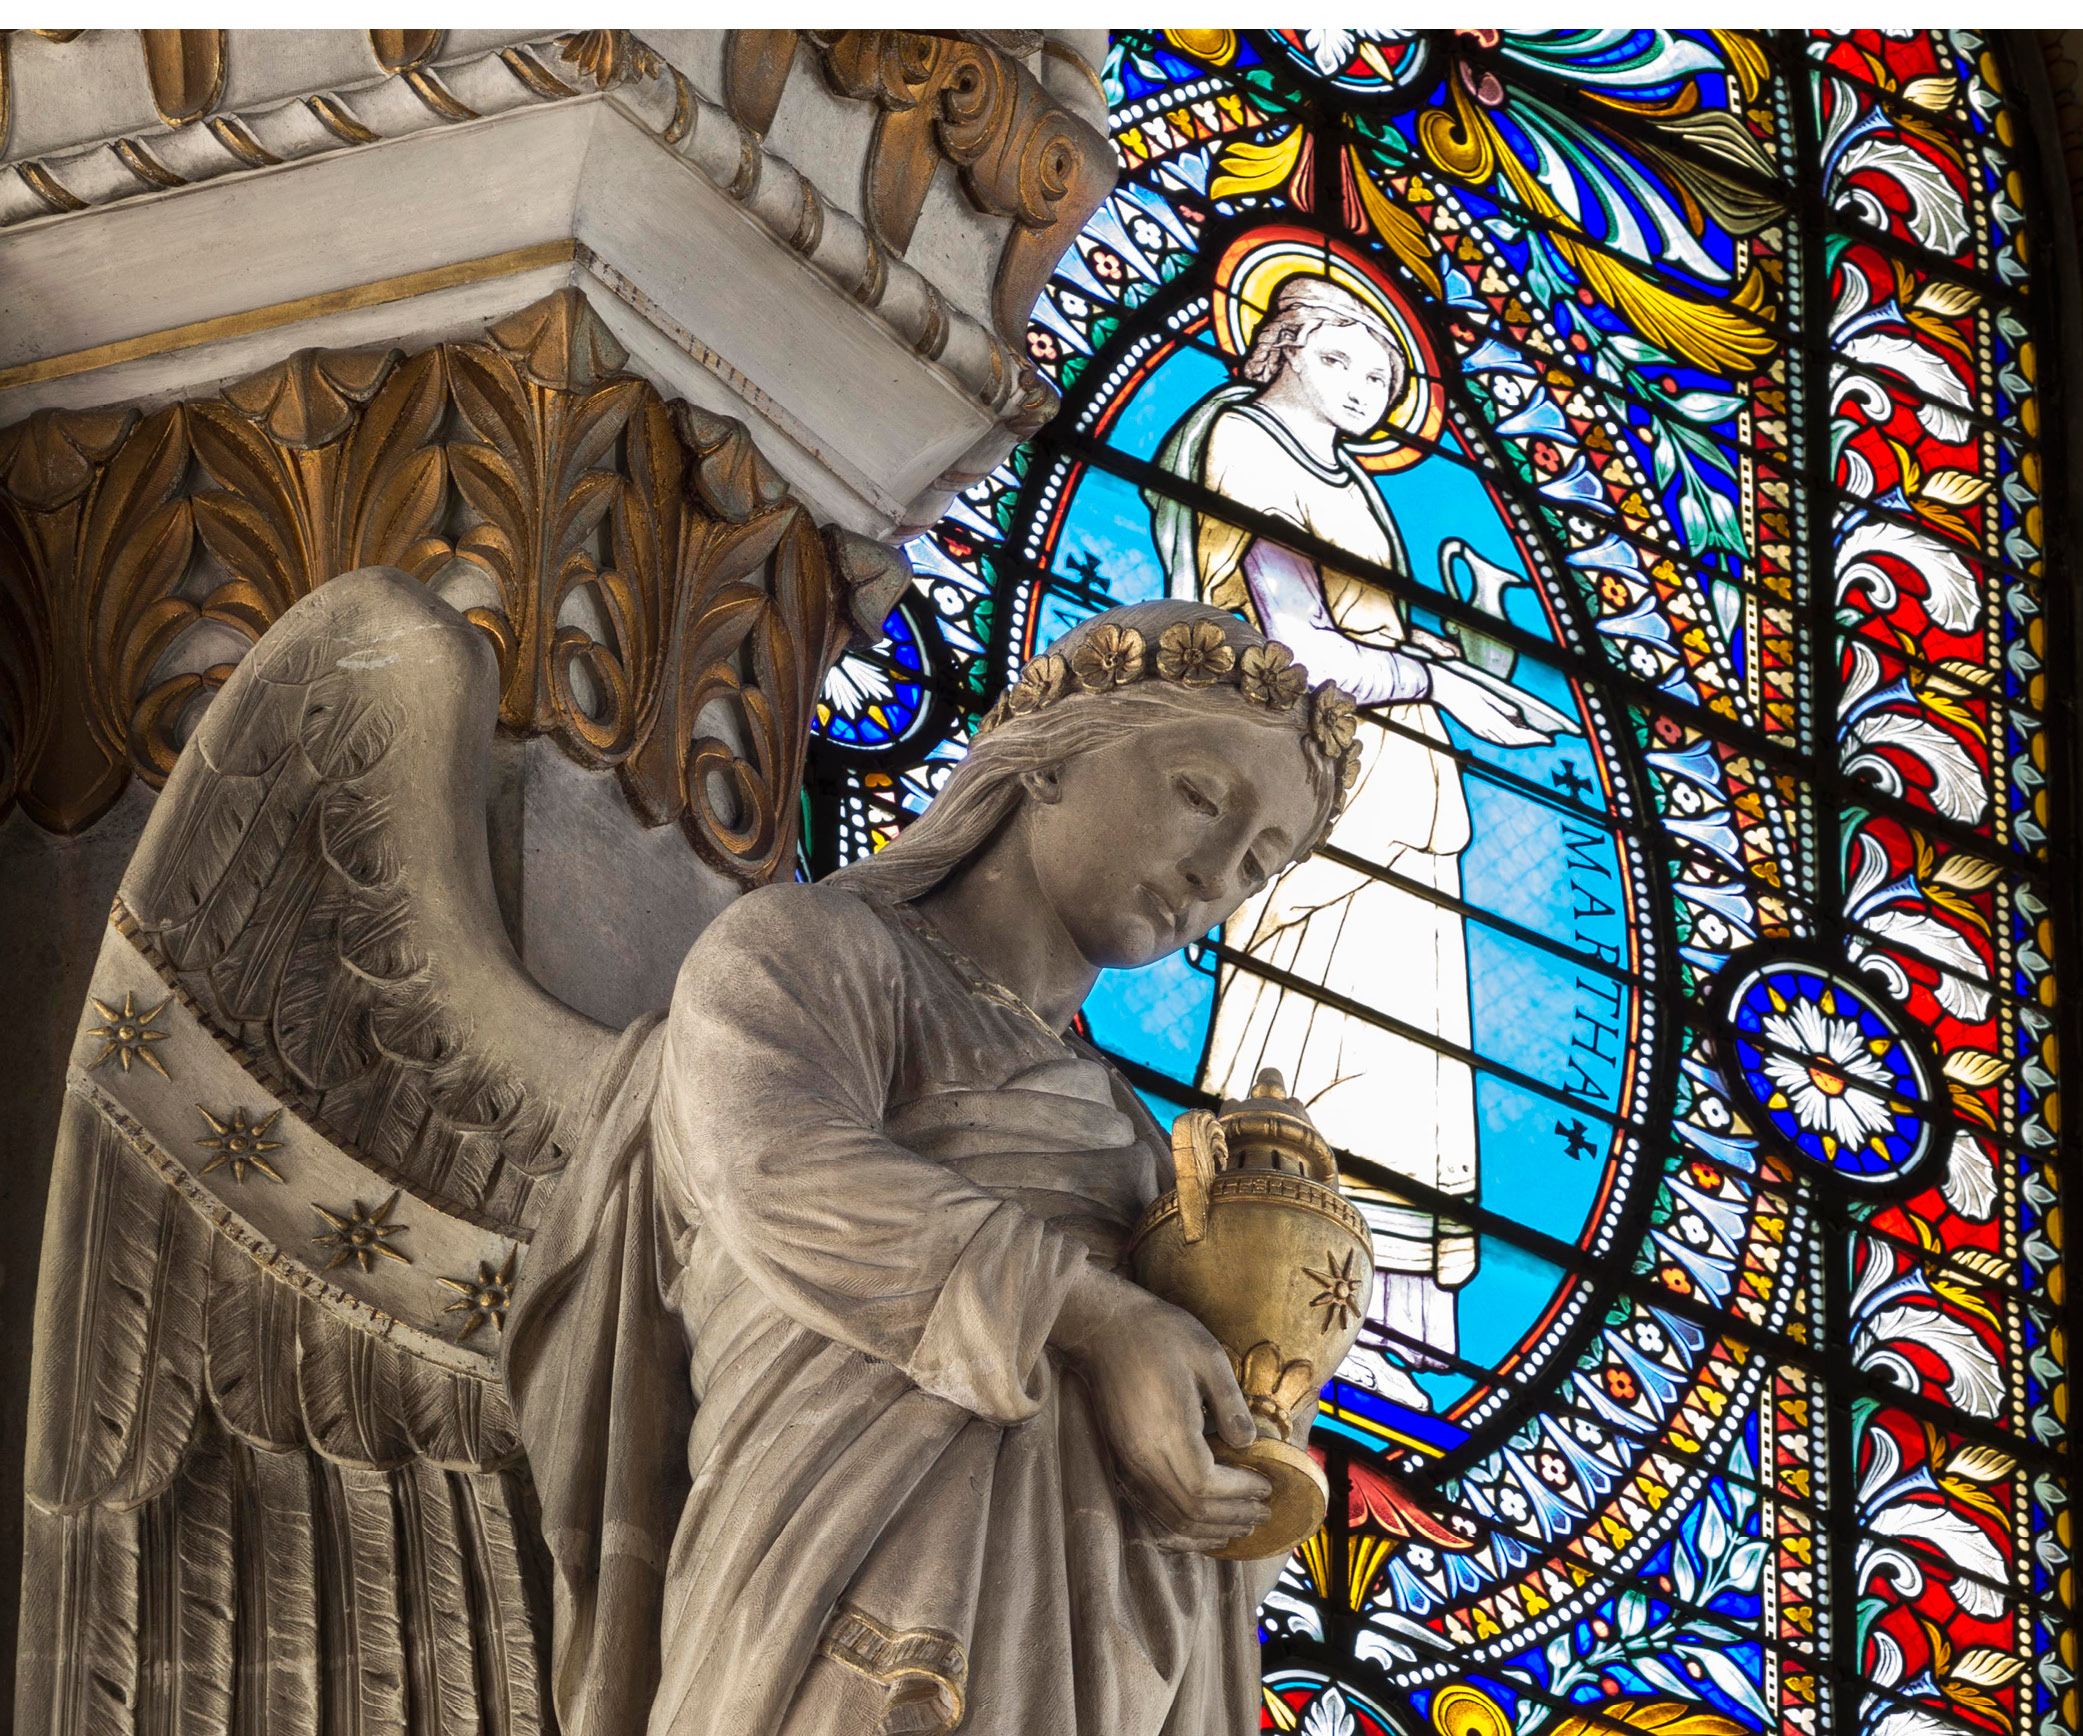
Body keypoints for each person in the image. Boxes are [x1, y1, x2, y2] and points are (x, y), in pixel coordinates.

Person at [508, 602, 1387, 1736]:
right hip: (838, 1576)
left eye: (1259, 864)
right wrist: (1095, 1317)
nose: (1215, 873)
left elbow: (1206, 1508)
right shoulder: (813, 949)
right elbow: (778, 1171)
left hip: (1091, 1654)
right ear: (1052, 757)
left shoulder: (1137, 1143)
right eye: (1199, 796)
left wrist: (1243, 1439)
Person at [1147, 275, 1560, 1406]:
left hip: (1398, 792)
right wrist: (1448, 682)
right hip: (1316, 790)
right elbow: (1300, 644)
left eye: (1382, 378)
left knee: (1405, 1059)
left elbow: (1374, 633)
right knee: (1318, 1025)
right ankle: (1260, 1289)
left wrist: (1464, 654)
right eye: (1345, 362)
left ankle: (1383, 1320)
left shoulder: (1349, 481)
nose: (1367, 390)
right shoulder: (1246, 444)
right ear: (1279, 349)